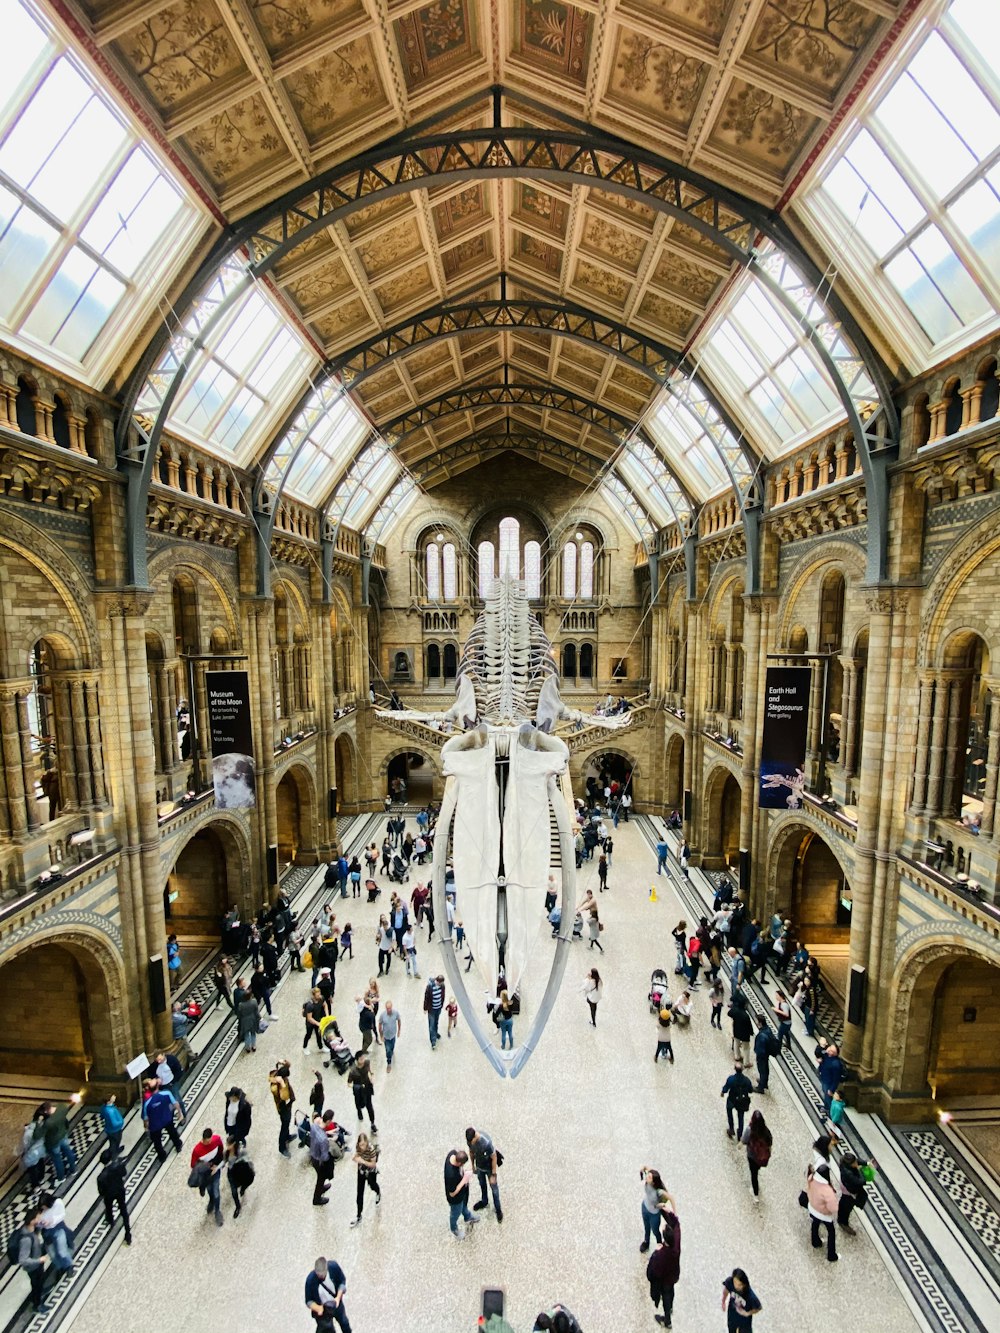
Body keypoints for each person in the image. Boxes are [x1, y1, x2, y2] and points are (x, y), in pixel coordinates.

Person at [646, 1205, 681, 1328]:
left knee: (666, 1295)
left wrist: (656, 1252)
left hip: (665, 1280)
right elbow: (676, 1224)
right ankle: (670, 1308)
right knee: (671, 1292)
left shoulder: (661, 1255)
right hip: (674, 1275)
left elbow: (653, 1273)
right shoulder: (676, 1244)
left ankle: (667, 1320)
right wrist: (666, 1211)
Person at [13, 1209, 48, 1312]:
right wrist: (39, 1260)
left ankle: (39, 1292)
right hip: (33, 1267)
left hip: (37, 1260)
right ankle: (37, 1305)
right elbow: (23, 1260)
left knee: (39, 1282)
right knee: (36, 1284)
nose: (40, 1218)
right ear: (32, 1220)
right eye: (37, 1217)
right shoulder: (26, 1240)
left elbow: (38, 1228)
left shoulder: (31, 1228)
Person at [305, 1256, 352, 1333]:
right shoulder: (310, 1280)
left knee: (344, 1323)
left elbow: (342, 1282)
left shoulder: (334, 1267)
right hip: (323, 1310)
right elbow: (308, 1301)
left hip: (336, 1303)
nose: (320, 1276)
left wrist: (338, 1297)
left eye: (322, 1274)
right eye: (318, 1274)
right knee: (327, 1330)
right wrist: (318, 1308)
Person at [190, 1126, 225, 1227]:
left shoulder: (217, 1140)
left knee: (216, 1191)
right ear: (203, 1139)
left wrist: (217, 1166)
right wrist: (207, 1166)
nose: (209, 1143)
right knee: (210, 1190)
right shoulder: (197, 1150)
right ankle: (211, 1200)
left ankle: (217, 1211)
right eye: (207, 1142)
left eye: (210, 1141)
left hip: (215, 1171)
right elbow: (193, 1165)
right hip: (206, 1174)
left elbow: (220, 1152)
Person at [466, 1125, 502, 1222]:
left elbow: (494, 1157)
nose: (470, 1144)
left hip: (489, 1168)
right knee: (482, 1184)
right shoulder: (470, 1141)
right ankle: (484, 1201)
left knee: (494, 1190)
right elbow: (471, 1152)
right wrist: (473, 1165)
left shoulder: (486, 1143)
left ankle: (498, 1210)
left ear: (474, 1137)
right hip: (480, 1167)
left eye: (471, 1142)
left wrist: (493, 1174)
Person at [96, 1148, 131, 1245]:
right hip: (120, 1191)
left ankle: (110, 1220)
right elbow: (124, 1173)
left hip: (109, 1195)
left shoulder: (101, 1177)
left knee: (109, 1207)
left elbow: (101, 1192)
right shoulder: (118, 1166)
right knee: (123, 1210)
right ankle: (128, 1233)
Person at [40, 1099, 79, 1182]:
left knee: (57, 1159)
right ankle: (73, 1170)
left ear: (46, 1110)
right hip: (63, 1135)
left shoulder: (48, 1122)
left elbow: (41, 1134)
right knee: (68, 1152)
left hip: (54, 1142)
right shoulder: (61, 1108)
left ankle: (61, 1177)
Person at [807, 1161, 840, 1261]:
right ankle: (831, 1255)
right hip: (824, 1214)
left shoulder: (811, 1178)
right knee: (831, 1232)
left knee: (815, 1224)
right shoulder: (827, 1190)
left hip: (812, 1208)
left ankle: (815, 1242)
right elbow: (833, 1208)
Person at [142, 1083, 184, 1160]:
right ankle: (178, 1145)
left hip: (155, 1125)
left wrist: (146, 1127)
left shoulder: (147, 1103)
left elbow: (146, 1118)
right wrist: (179, 1113)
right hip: (167, 1119)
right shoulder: (166, 1093)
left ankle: (162, 1156)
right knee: (173, 1133)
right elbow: (175, 1103)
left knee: (157, 1142)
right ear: (157, 1087)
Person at [444, 1147, 478, 1239]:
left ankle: (468, 1217)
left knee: (464, 1206)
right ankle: (454, 1229)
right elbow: (452, 1193)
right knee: (456, 1213)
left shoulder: (452, 1153)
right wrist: (464, 1179)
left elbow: (456, 1149)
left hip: (462, 1193)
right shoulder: (451, 1174)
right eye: (462, 1165)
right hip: (455, 1199)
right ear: (459, 1163)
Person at [639, 1166, 674, 1251]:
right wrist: (643, 1169)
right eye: (648, 1175)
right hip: (644, 1207)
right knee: (646, 1227)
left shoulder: (659, 1191)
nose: (647, 1176)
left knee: (655, 1231)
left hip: (654, 1214)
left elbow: (671, 1198)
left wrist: (674, 1212)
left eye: (649, 1177)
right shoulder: (648, 1180)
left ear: (654, 1182)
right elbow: (647, 1168)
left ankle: (660, 1244)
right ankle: (646, 1241)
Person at [349, 1133, 381, 1227]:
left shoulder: (371, 1149)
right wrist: (355, 1158)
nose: (362, 1147)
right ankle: (359, 1215)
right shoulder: (358, 1148)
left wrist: (362, 1161)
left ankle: (378, 1192)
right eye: (360, 1144)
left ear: (367, 1142)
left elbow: (373, 1164)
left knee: (372, 1185)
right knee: (359, 1193)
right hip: (361, 1171)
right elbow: (356, 1156)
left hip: (370, 1172)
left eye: (364, 1144)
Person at [741, 1109, 772, 1200]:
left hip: (752, 1156)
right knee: (756, 1170)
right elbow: (770, 1142)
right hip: (762, 1157)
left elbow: (744, 1140)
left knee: (753, 1175)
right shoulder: (766, 1131)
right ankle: (756, 1189)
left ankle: (755, 1194)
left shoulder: (750, 1130)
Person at [838, 1151, 871, 1234]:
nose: (856, 1163)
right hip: (850, 1190)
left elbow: (857, 1161)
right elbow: (860, 1181)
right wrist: (861, 1172)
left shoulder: (845, 1162)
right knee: (847, 1205)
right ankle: (843, 1222)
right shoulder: (848, 1173)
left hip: (847, 1186)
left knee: (845, 1203)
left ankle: (842, 1217)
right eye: (854, 1163)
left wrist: (866, 1163)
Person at [269, 1059, 295, 1157]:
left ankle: (287, 1136)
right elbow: (285, 1097)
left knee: (287, 1123)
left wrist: (283, 1062)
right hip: (283, 1108)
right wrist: (283, 1085)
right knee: (284, 1126)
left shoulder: (276, 1074)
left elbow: (288, 1066)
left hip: (287, 1106)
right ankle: (282, 1147)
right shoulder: (276, 1087)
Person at [721, 1060, 753, 1139]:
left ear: (735, 1069)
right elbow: (750, 1090)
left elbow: (726, 1087)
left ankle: (731, 1128)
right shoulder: (747, 1080)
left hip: (732, 1099)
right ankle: (740, 1134)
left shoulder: (731, 1079)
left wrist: (723, 1092)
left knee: (729, 1111)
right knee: (740, 1117)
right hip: (742, 1101)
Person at [309, 1113, 336, 1206]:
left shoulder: (314, 1126)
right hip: (319, 1160)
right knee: (321, 1178)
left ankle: (322, 1188)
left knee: (320, 1177)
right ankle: (316, 1199)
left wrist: (327, 1133)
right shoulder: (324, 1139)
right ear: (328, 1121)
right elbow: (324, 1157)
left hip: (313, 1154)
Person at [347, 1054, 377, 1133]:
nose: (363, 1060)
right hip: (359, 1092)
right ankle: (359, 1111)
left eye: (363, 1058)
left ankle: (372, 1123)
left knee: (369, 1106)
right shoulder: (353, 1071)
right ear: (357, 1060)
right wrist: (358, 1087)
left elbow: (370, 1071)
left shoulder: (367, 1063)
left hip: (367, 1089)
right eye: (361, 1059)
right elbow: (349, 1083)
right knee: (359, 1104)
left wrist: (371, 1078)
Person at [816, 1043, 846, 1112]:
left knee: (828, 1097)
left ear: (834, 1053)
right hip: (824, 1078)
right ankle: (826, 1107)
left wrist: (831, 1089)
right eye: (830, 1047)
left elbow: (836, 1079)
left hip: (828, 1083)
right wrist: (820, 1046)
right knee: (825, 1093)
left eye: (831, 1050)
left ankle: (830, 1112)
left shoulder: (836, 1064)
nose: (829, 1049)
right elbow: (817, 1053)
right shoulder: (826, 1055)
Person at [753, 1014, 777, 1092]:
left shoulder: (761, 1036)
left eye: (757, 1021)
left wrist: (757, 1054)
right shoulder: (768, 1029)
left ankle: (761, 1088)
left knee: (762, 1070)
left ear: (760, 1023)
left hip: (762, 1055)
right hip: (767, 1053)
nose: (756, 1023)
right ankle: (764, 1082)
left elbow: (760, 1050)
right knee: (766, 1069)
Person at [171, 1001, 199, 1065]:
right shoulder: (177, 1017)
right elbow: (185, 1019)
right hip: (180, 1034)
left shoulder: (175, 1012)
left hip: (180, 1032)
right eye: (179, 1006)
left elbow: (181, 1008)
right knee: (186, 1045)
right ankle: (192, 1057)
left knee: (185, 1045)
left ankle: (190, 1055)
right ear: (176, 1008)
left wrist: (187, 1004)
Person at [729, 993, 753, 1064]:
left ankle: (737, 1056)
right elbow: (749, 1026)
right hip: (744, 1034)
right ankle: (746, 1062)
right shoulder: (745, 1016)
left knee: (736, 1043)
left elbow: (729, 1013)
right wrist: (751, 1032)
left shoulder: (736, 1011)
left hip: (736, 1030)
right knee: (746, 1047)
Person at [424, 974, 445, 1048]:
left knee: (436, 1022)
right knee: (431, 1025)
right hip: (432, 1009)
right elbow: (426, 998)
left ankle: (435, 1033)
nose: (441, 984)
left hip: (438, 1008)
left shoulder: (442, 986)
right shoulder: (430, 987)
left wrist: (441, 1005)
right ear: (437, 981)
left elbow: (443, 995)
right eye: (440, 983)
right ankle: (433, 1041)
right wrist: (425, 1008)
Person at [237, 988, 261, 1054]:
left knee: (246, 1034)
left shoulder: (241, 1005)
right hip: (253, 1019)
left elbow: (239, 1014)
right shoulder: (254, 1002)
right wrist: (259, 1018)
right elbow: (256, 1012)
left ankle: (248, 1047)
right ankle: (254, 1046)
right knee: (253, 1033)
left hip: (245, 1021)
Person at [378, 1000, 401, 1069]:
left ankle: (391, 1051)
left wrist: (399, 1030)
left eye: (390, 1008)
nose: (389, 1010)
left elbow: (399, 1020)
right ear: (385, 1008)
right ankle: (389, 1063)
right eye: (387, 1008)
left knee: (392, 1047)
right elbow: (379, 1024)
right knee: (388, 1051)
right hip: (386, 1037)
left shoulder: (396, 1013)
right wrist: (381, 1035)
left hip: (393, 1035)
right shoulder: (382, 1015)